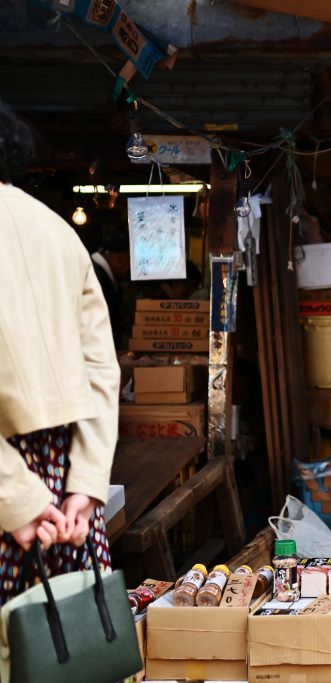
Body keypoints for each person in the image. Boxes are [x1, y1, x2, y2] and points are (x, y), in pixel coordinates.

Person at [0, 99, 119, 604]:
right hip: (62, 476)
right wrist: (86, 486)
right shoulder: (57, 231)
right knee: (72, 647)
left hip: (13, 482)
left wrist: (17, 498)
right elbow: (101, 369)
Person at [90, 232, 131, 344]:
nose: (129, 268)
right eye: (129, 261)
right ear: (120, 258)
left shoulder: (93, 269)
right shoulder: (96, 276)